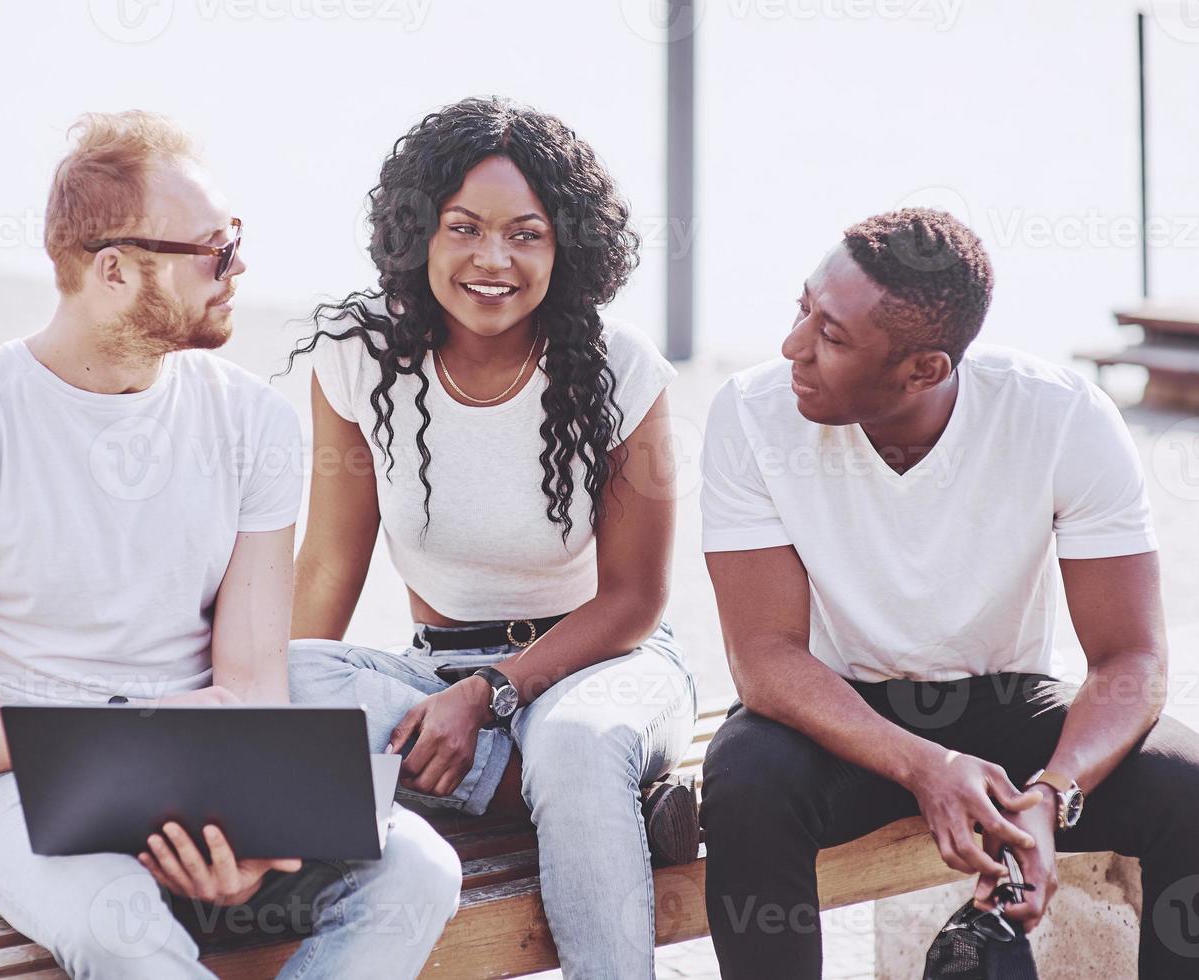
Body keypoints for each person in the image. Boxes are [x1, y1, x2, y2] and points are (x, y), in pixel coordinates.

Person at [0, 110, 461, 980]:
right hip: (19, 787)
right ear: (112, 270)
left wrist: (249, 829)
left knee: (421, 872)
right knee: (121, 926)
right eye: (213, 250)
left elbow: (251, 684)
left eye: (237, 238)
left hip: (209, 769)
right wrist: (130, 738)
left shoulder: (251, 422)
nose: (240, 266)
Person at [697, 207, 1199, 979]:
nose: (792, 347)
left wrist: (1051, 796)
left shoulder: (1060, 416)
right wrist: (926, 766)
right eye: (803, 307)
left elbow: (1131, 657)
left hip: (1003, 703)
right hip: (834, 716)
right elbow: (764, 659)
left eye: (831, 337)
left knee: (1186, 784)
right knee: (744, 782)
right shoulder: (753, 414)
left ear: (925, 370)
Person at [284, 97, 699, 979]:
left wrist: (493, 694)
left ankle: (558, 785)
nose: (492, 259)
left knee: (575, 742)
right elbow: (327, 563)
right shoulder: (359, 357)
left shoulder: (618, 368)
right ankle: (562, 798)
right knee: (279, 679)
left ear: (567, 245)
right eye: (463, 227)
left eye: (527, 233)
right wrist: (267, 715)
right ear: (417, 233)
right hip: (432, 670)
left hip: (605, 667)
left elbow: (635, 597)